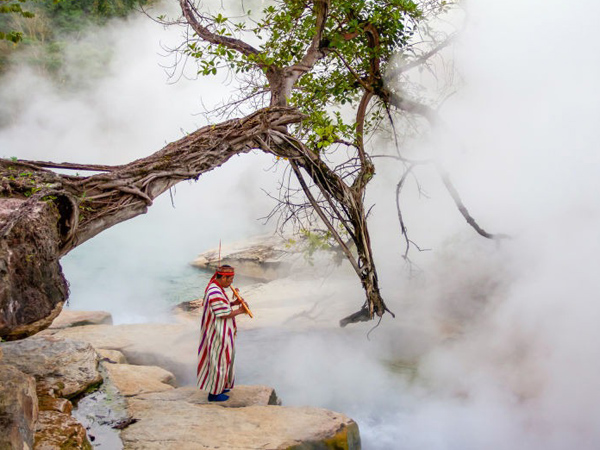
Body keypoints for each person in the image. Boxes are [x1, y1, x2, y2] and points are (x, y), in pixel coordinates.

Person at [196, 265, 248, 402]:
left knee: (226, 359)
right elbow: (223, 313)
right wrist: (241, 310)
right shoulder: (214, 292)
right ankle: (214, 393)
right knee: (219, 361)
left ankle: (222, 385)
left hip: (223, 331)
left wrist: (234, 303)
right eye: (230, 279)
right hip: (217, 332)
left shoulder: (216, 288)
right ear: (223, 277)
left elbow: (222, 306)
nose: (231, 282)